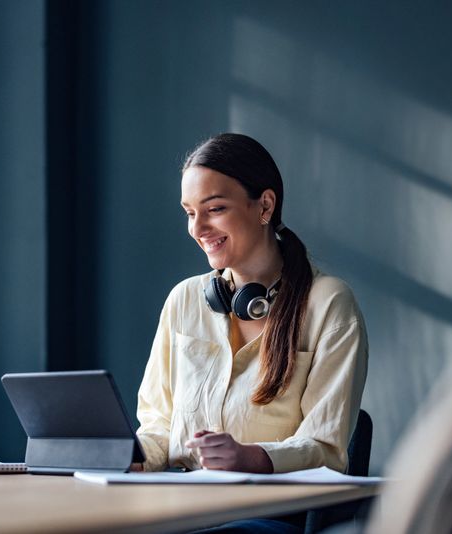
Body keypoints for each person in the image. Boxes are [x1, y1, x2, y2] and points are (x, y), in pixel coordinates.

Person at [134, 133, 369, 533]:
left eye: (215, 208)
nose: (198, 228)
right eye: (190, 212)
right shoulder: (184, 300)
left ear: (265, 205)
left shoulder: (330, 303)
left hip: (266, 515)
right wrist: (128, 455)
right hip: (179, 506)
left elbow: (327, 449)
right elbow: (158, 424)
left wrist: (251, 457)